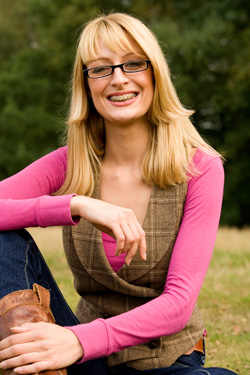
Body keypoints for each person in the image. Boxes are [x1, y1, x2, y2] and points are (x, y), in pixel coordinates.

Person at [0, 12, 237, 375]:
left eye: (133, 64)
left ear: (155, 73)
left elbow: (178, 304)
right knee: (4, 239)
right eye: (101, 69)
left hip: (166, 360)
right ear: (86, 83)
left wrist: (79, 340)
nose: (118, 79)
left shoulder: (200, 167)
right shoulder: (69, 163)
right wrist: (76, 204)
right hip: (83, 361)